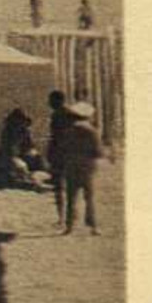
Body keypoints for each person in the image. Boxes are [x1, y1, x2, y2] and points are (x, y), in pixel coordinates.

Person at [60, 101, 102, 235]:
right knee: (89, 197)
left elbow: (62, 148)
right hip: (87, 166)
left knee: (71, 196)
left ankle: (69, 226)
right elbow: (98, 151)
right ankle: (93, 226)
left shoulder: (67, 131)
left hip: (71, 164)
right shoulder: (92, 131)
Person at [46, 91, 76, 222]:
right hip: (70, 153)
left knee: (59, 186)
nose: (49, 103)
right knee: (69, 186)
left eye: (51, 100)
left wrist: (51, 152)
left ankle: (62, 217)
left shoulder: (57, 115)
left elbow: (55, 137)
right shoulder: (72, 114)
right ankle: (69, 215)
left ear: (58, 101)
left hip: (60, 154)